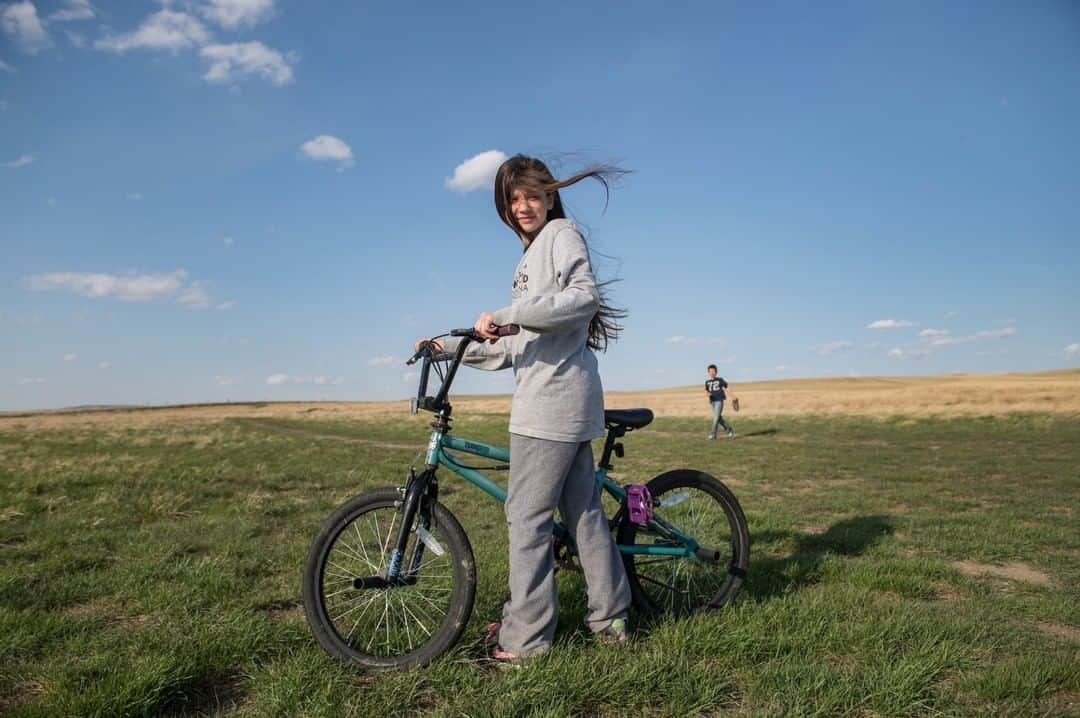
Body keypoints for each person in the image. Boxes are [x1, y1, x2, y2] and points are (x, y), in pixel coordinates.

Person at [416, 155, 631, 664]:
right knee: (581, 515)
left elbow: (584, 299)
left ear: (550, 195)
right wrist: (450, 348)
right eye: (513, 199)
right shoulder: (530, 256)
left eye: (532, 195)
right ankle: (611, 619)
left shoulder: (562, 235)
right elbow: (516, 348)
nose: (522, 206)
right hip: (561, 396)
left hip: (552, 402)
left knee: (527, 517)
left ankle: (526, 640)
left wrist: (510, 314)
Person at [705, 364, 736, 439]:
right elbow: (706, 390)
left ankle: (713, 434)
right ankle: (730, 431)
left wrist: (733, 396)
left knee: (715, 418)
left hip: (719, 400)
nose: (712, 373)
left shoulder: (720, 380)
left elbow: (727, 388)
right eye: (710, 371)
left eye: (713, 371)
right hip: (712, 402)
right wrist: (707, 394)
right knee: (719, 418)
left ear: (716, 372)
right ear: (708, 372)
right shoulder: (707, 382)